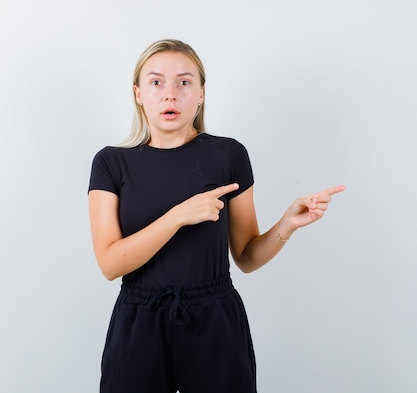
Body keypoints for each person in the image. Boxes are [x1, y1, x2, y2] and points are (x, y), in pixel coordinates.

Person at [87, 39, 345, 393]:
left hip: (214, 319)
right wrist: (178, 216)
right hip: (139, 320)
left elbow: (247, 257)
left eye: (184, 82)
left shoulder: (228, 155)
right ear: (138, 93)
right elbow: (109, 263)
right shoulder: (110, 162)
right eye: (156, 82)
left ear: (201, 93)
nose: (170, 95)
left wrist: (286, 224)